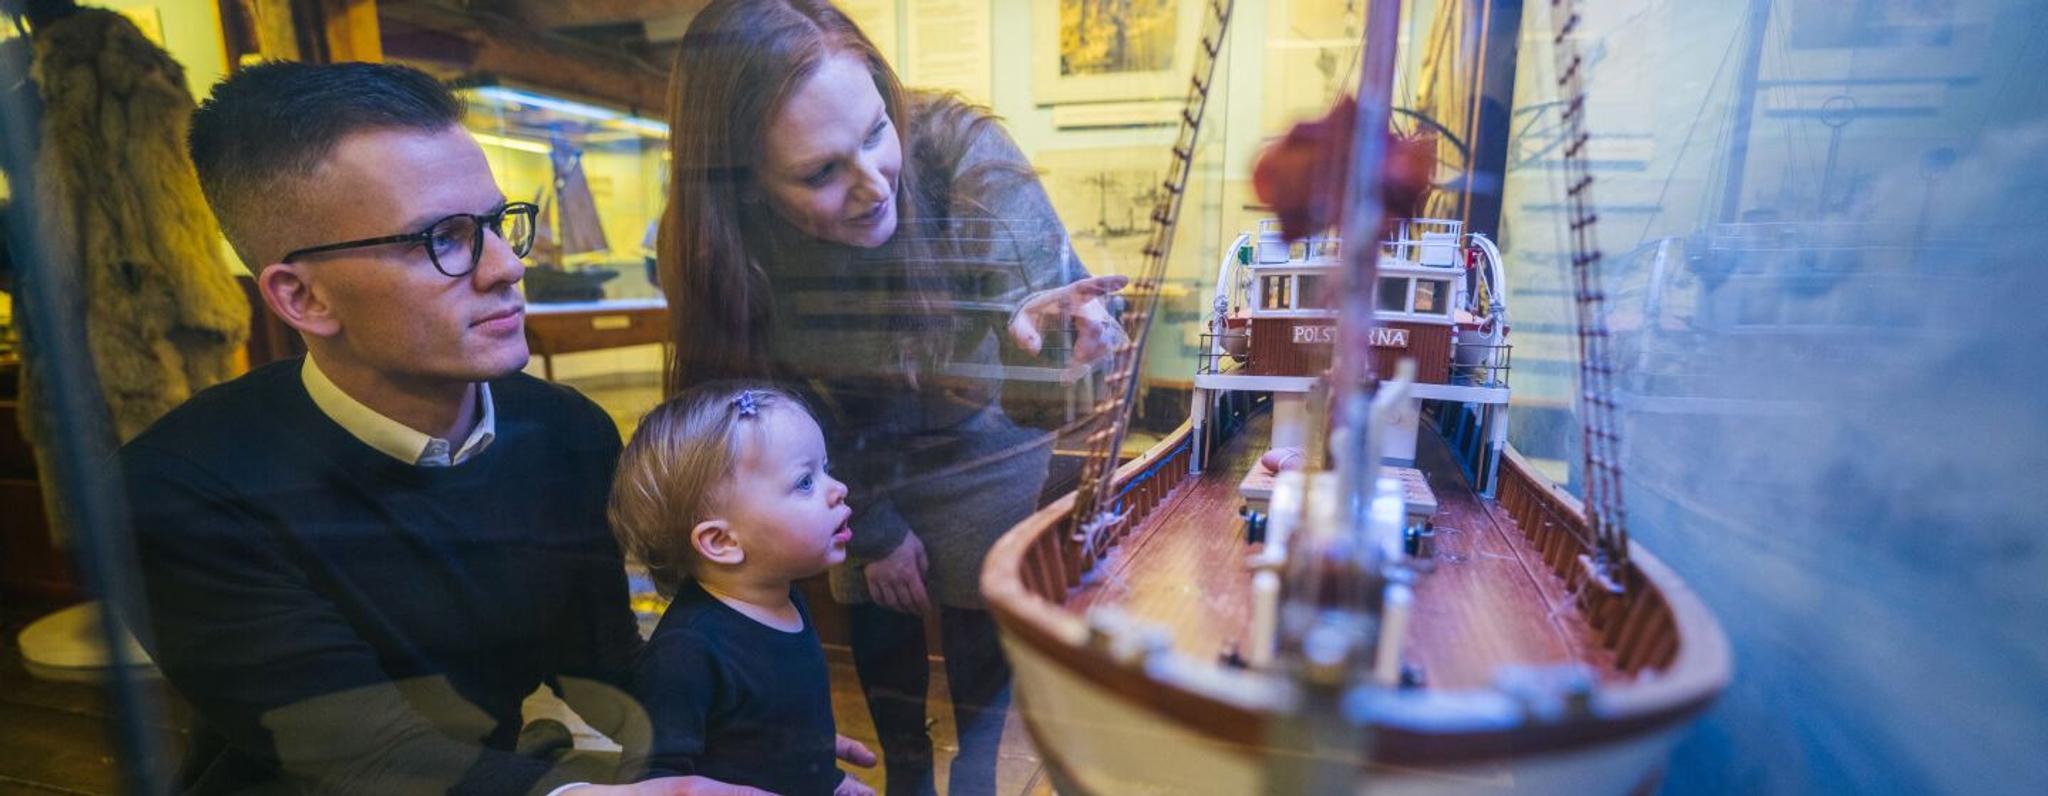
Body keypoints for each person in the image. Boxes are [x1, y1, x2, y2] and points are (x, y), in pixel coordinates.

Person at [120, 60, 777, 796]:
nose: (506, 267)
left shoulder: (564, 431)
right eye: (443, 237)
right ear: (302, 296)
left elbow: (596, 662)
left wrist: (750, 737)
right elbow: (357, 755)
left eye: (499, 224)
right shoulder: (177, 490)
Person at [658, 3, 1125, 794]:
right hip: (834, 457)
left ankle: (973, 778)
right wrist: (872, 528)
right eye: (819, 173)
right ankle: (906, 774)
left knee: (983, 646)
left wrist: (1055, 343)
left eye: (876, 133)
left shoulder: (957, 147)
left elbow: (1044, 345)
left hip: (980, 453)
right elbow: (756, 414)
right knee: (880, 629)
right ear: (744, 184)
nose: (875, 186)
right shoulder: (719, 245)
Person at [610, 383, 881, 796]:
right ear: (723, 542)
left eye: (825, 467)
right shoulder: (686, 653)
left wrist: (827, 776)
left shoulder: (784, 598)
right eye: (805, 481)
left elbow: (775, 729)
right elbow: (649, 782)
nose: (837, 488)